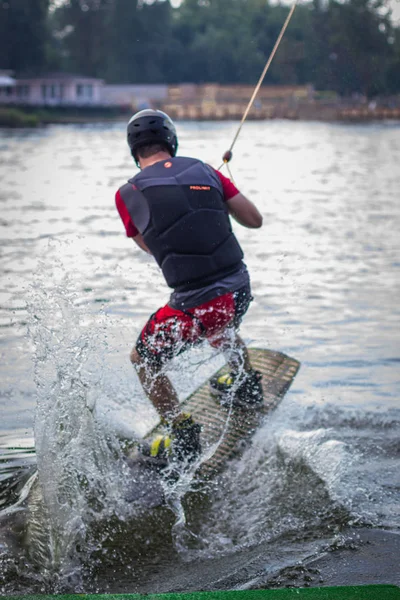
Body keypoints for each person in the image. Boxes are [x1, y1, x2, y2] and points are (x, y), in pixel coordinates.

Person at [116, 109, 264, 467]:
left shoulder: (127, 193)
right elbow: (254, 221)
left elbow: (152, 247)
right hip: (240, 291)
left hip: (197, 306)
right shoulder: (205, 169)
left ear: (135, 152)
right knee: (220, 322)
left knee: (144, 360)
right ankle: (245, 383)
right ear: (171, 141)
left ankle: (182, 434)